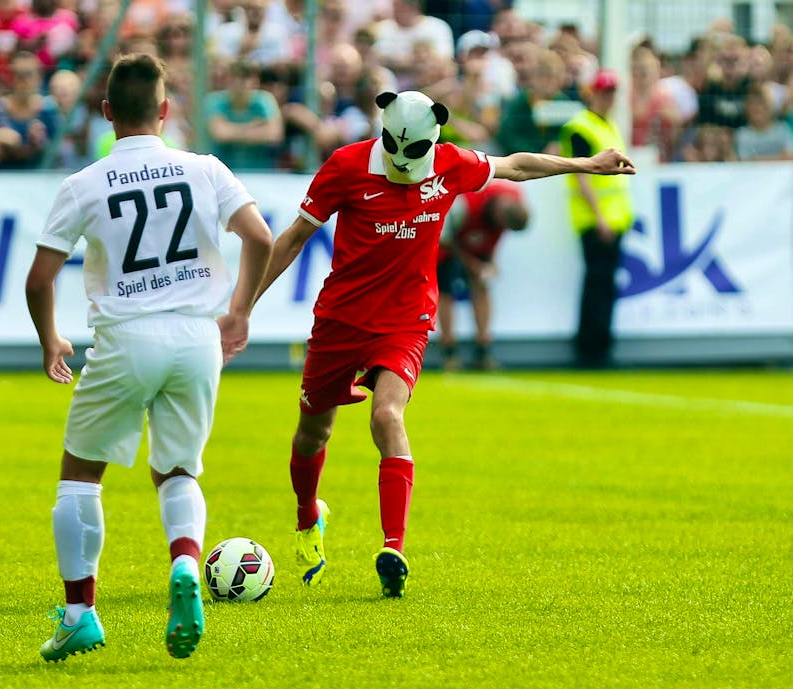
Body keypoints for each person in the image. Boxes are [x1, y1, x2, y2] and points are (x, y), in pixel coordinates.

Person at [254, 89, 634, 598]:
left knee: (387, 416)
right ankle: (308, 518)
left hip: (406, 320)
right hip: (340, 321)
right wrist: (243, 307)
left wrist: (586, 163)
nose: (406, 161)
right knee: (311, 435)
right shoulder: (345, 167)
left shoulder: (450, 162)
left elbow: (516, 167)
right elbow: (294, 238)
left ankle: (394, 548)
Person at [25, 53, 273, 662]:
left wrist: (50, 338)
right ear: (166, 110)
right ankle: (186, 562)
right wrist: (239, 312)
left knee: (81, 475)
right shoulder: (206, 169)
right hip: (196, 339)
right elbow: (262, 238)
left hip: (124, 338)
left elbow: (39, 279)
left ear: (107, 113)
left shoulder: (82, 183)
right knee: (179, 471)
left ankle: (80, 613)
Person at [558, 68, 634, 368]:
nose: (609, 98)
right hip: (596, 219)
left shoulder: (606, 125)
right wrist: (599, 216)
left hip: (614, 218)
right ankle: (591, 348)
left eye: (612, 92)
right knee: (597, 284)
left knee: (604, 284)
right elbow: (582, 175)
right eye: (605, 92)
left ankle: (599, 344)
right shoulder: (581, 127)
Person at [436, 179, 529, 370]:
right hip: (450, 243)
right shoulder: (463, 205)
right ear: (496, 214)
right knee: (445, 291)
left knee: (482, 286)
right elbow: (446, 239)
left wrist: (491, 263)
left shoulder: (514, 200)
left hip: (478, 245)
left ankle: (483, 349)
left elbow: (498, 234)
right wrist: (473, 264)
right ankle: (449, 351)